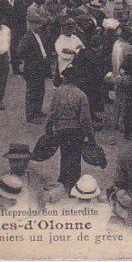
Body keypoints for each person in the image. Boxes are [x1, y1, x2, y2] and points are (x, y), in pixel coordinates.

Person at [46, 64, 96, 195]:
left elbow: (51, 112)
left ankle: (62, 180)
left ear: (65, 79)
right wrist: (91, 136)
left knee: (64, 155)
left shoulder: (58, 93)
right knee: (75, 158)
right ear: (77, 80)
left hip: (61, 130)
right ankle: (73, 185)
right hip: (76, 132)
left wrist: (48, 128)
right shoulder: (81, 95)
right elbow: (85, 119)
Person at [16, 14, 51, 123]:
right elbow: (20, 52)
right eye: (37, 23)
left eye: (39, 23)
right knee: (32, 91)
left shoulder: (39, 34)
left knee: (40, 90)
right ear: (30, 24)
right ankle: (31, 115)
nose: (39, 25)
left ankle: (37, 110)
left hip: (40, 66)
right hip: (32, 67)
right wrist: (31, 59)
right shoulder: (27, 37)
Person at [54, 18, 85, 83]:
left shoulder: (75, 38)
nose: (69, 30)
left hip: (75, 63)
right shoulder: (60, 39)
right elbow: (63, 53)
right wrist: (75, 51)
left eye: (71, 28)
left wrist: (71, 51)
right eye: (67, 28)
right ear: (64, 29)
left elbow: (82, 48)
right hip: (64, 64)